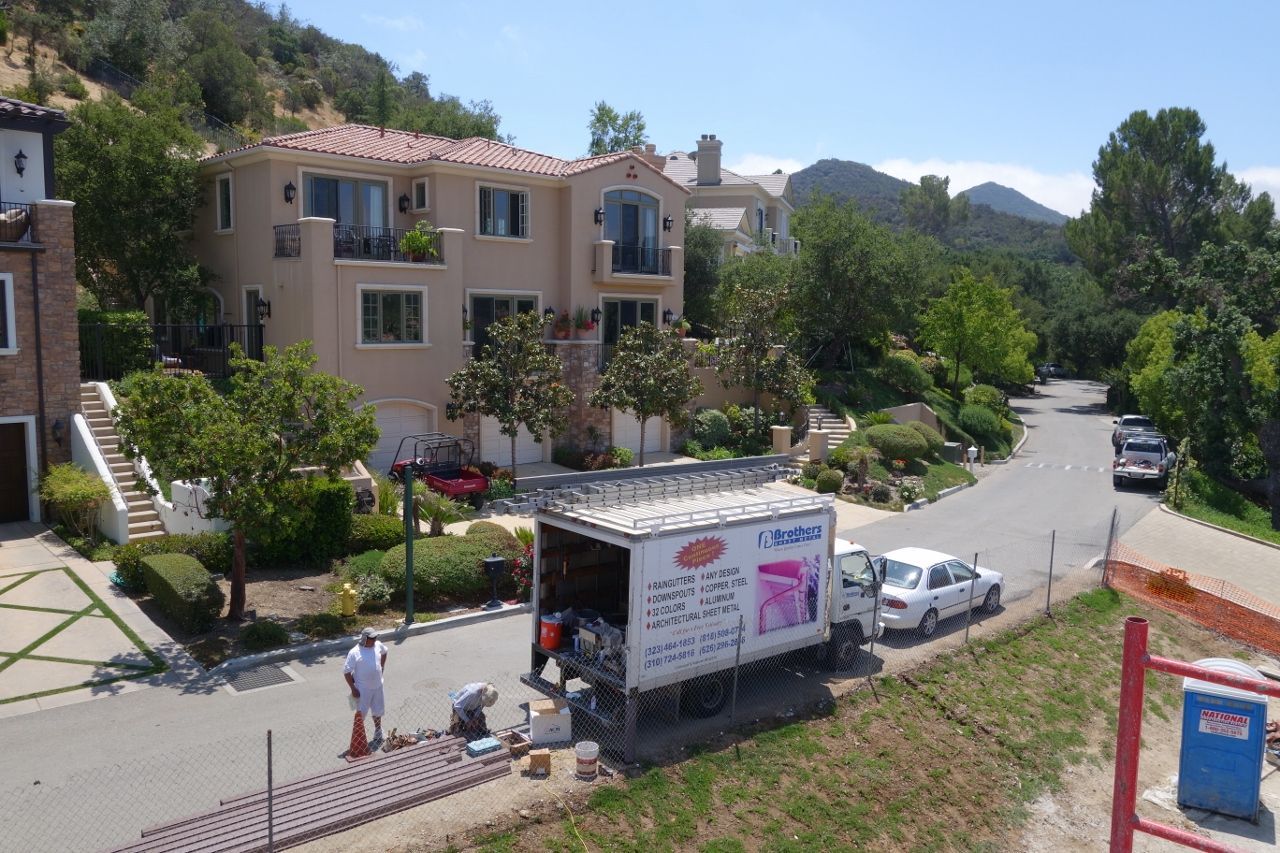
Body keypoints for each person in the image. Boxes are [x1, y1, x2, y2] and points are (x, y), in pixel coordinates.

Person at [344, 626, 388, 744]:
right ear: (364, 639)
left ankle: (378, 731)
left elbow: (385, 652)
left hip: (378, 686)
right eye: (372, 638)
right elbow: (346, 672)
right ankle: (358, 738)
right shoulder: (354, 652)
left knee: (378, 710)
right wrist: (353, 689)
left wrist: (382, 667)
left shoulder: (378, 645)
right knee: (360, 714)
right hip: (363, 690)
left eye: (375, 638)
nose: (374, 640)